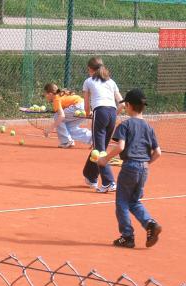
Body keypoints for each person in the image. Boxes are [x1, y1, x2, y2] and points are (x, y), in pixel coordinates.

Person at [98, 88, 162, 248]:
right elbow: (158, 153)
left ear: (128, 105)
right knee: (134, 201)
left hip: (129, 167)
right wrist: (145, 163)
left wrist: (105, 159)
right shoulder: (149, 127)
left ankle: (127, 236)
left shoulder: (125, 125)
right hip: (144, 168)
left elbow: (120, 146)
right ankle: (150, 224)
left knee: (122, 203)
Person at [82, 57, 124, 192]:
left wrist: (88, 113)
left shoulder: (88, 81)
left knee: (99, 150)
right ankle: (90, 175)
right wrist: (114, 114)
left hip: (100, 112)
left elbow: (86, 105)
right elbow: (122, 103)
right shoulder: (111, 82)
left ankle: (109, 182)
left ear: (90, 69)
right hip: (112, 113)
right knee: (100, 147)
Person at [43, 83, 92, 148]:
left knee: (57, 116)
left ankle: (66, 141)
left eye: (45, 94)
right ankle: (92, 138)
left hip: (77, 107)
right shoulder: (61, 94)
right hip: (84, 106)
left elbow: (61, 116)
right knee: (69, 128)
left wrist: (49, 129)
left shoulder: (56, 98)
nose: (45, 96)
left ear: (50, 94)